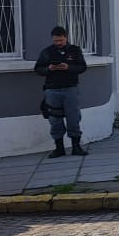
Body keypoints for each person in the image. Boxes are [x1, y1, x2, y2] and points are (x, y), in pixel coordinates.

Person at [34, 26, 88, 157]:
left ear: (66, 38)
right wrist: (49, 68)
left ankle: (76, 147)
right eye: (55, 40)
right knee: (54, 119)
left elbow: (82, 67)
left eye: (61, 40)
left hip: (70, 88)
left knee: (73, 118)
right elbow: (38, 69)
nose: (58, 43)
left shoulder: (74, 50)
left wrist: (68, 67)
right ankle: (59, 148)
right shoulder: (47, 52)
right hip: (52, 89)